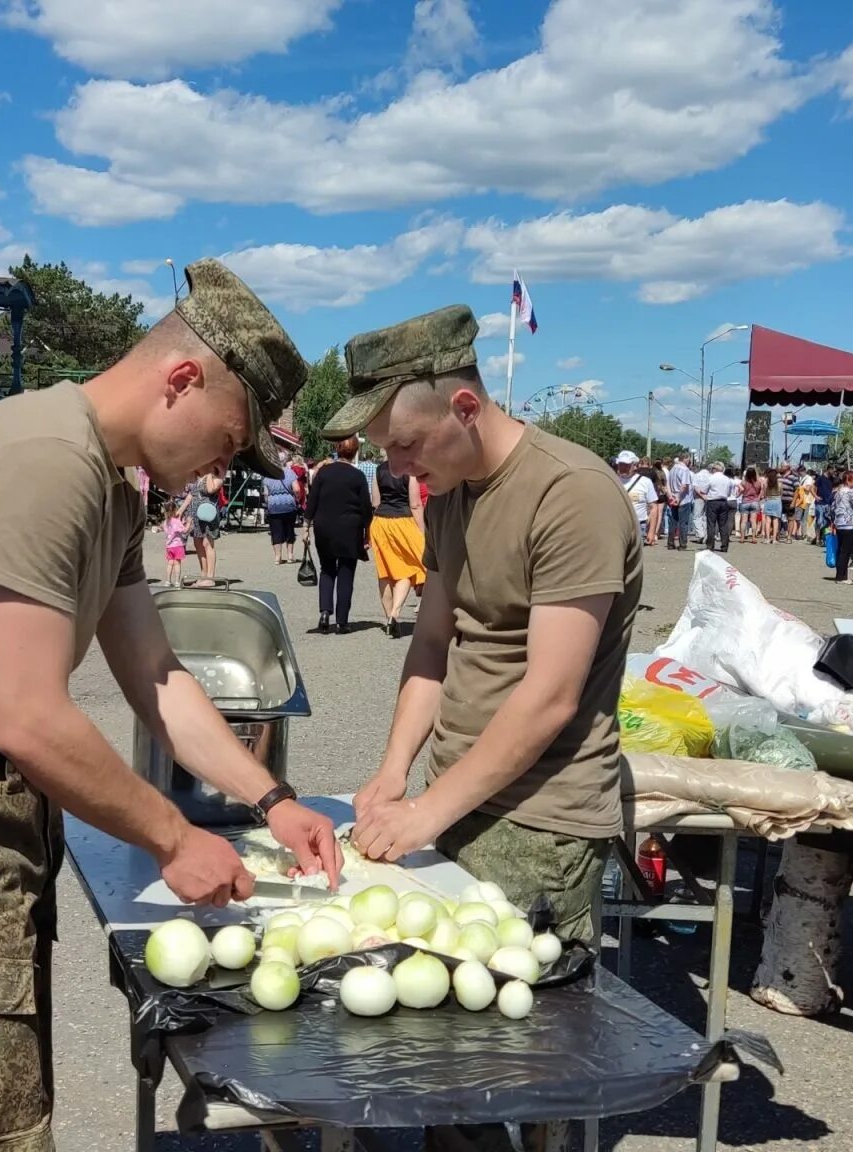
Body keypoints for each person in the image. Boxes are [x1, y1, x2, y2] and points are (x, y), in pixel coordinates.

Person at [0, 258, 344, 1152]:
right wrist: (174, 838)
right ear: (180, 379)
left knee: (4, 1110)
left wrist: (271, 799)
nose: (226, 466)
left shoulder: (109, 483)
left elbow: (156, 676)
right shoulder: (50, 462)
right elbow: (29, 716)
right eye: (230, 439)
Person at [326, 306, 638, 1151]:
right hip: (460, 800)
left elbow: (550, 694)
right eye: (389, 450)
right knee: (445, 1067)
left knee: (535, 1067)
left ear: (466, 405)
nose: (397, 465)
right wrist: (395, 774)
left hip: (543, 819)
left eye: (406, 443)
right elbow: (433, 642)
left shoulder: (571, 494)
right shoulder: (452, 495)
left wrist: (424, 814)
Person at [307, 436, 373, 634]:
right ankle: (342, 621)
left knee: (327, 569)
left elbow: (312, 500)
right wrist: (367, 532)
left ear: (337, 449)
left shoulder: (324, 473)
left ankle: (325, 612)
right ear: (354, 453)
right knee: (346, 572)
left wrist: (306, 526)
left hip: (324, 526)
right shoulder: (358, 476)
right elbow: (365, 508)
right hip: (349, 528)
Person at [369, 459, 427, 639]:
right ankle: (395, 613)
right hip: (404, 521)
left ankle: (388, 618)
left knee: (384, 572)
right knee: (408, 569)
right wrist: (422, 532)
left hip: (380, 522)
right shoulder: (411, 471)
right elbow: (415, 504)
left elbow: (375, 502)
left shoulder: (379, 470)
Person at [259, 453, 302, 564]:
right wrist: (296, 498)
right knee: (289, 530)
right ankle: (290, 556)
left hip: (273, 505)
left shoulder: (268, 474)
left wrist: (268, 502)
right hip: (288, 504)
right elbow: (297, 489)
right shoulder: (290, 472)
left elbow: (265, 493)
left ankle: (278, 557)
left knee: (276, 531)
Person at [184, 471, 223, 586]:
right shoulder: (197, 475)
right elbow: (191, 494)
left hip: (208, 515)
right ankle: (203, 575)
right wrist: (181, 510)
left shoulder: (218, 477)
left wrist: (209, 474)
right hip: (196, 514)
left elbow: (210, 490)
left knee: (207, 544)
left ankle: (210, 577)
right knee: (198, 544)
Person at [614, 450, 660, 547]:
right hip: (616, 525)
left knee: (634, 558)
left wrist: (652, 532)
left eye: (626, 465)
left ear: (634, 465)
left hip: (638, 525)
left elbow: (654, 507)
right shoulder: (612, 480)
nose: (622, 467)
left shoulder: (645, 482)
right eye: (620, 464)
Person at [830, 468, 853, 585]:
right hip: (849, 523)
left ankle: (840, 575)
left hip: (839, 523)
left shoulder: (838, 492)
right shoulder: (850, 492)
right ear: (849, 480)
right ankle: (842, 577)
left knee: (840, 551)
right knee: (846, 552)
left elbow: (833, 507)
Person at [695, 462, 733, 551]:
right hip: (723, 501)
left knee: (711, 524)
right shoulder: (727, 479)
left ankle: (710, 545)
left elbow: (703, 490)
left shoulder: (711, 478)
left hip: (712, 501)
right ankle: (724, 546)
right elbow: (729, 493)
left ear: (714, 470)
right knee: (723, 525)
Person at [666, 454, 696, 549]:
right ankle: (682, 544)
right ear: (685, 459)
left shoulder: (672, 469)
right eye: (689, 460)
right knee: (683, 522)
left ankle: (670, 543)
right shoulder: (685, 470)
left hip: (673, 497)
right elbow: (684, 485)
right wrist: (678, 497)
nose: (689, 462)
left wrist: (671, 496)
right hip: (683, 499)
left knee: (673, 521)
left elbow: (667, 484)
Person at [162, 496, 188, 587]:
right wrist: (188, 523)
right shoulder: (176, 522)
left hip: (169, 546)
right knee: (177, 563)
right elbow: (184, 531)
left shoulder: (166, 522)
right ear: (174, 510)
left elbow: (169, 530)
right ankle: (177, 581)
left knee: (170, 563)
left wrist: (181, 522)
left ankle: (168, 581)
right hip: (178, 545)